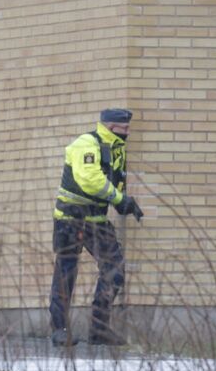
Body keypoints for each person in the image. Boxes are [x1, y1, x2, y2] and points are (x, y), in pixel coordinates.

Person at [48, 108, 144, 347]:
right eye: (124, 128)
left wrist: (124, 202)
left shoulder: (116, 149)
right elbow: (90, 180)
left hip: (97, 220)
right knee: (66, 273)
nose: (128, 132)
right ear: (111, 127)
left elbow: (114, 181)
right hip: (70, 219)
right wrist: (119, 199)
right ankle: (59, 330)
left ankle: (99, 329)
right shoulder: (87, 143)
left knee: (115, 269)